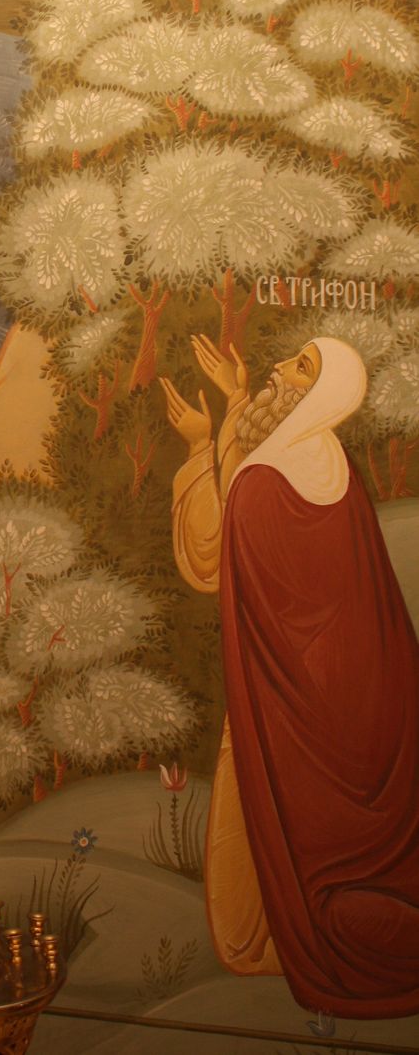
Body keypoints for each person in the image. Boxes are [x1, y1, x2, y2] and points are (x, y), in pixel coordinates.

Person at [160, 335, 419, 1022]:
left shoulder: (270, 481)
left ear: (320, 393)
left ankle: (281, 944)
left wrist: (198, 446)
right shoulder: (330, 464)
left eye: (299, 366)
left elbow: (215, 555)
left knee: (275, 818)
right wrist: (236, 401)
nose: (279, 367)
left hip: (290, 705)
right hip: (343, 700)